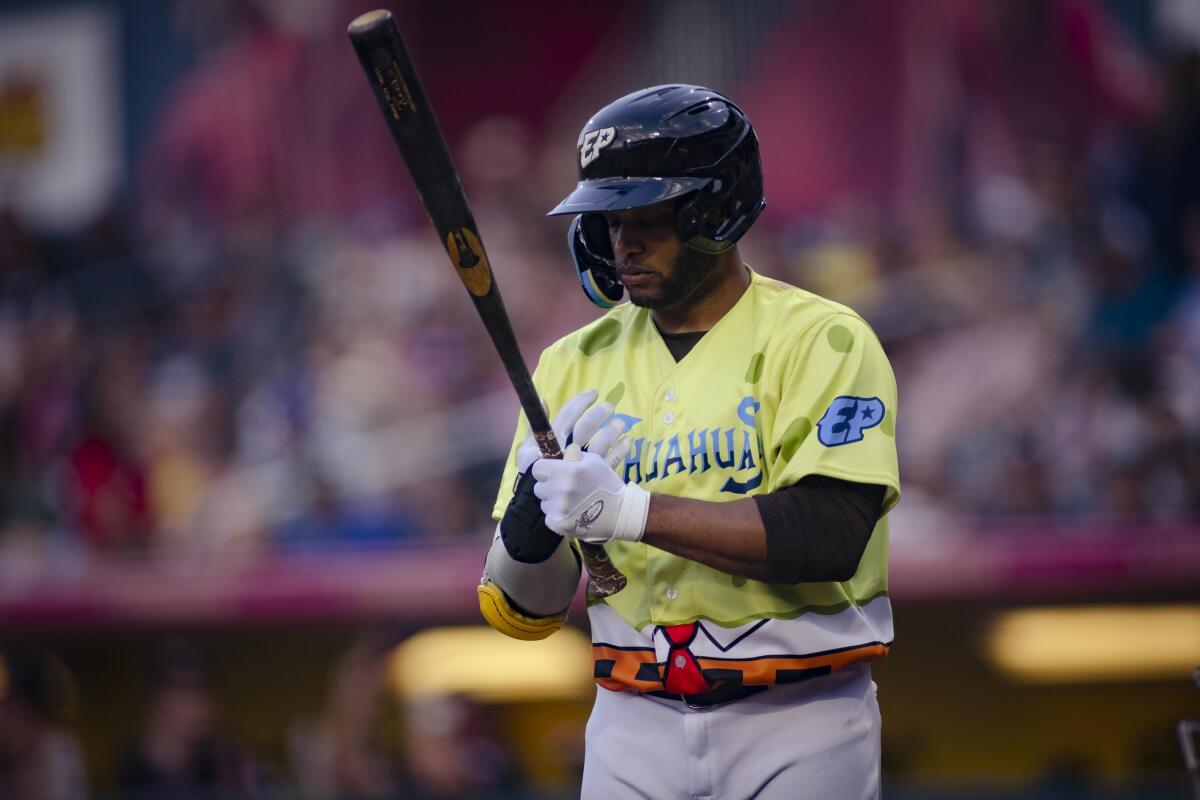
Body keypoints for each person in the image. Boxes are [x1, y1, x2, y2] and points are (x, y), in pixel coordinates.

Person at [478, 84, 900, 799]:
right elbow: (525, 616)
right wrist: (530, 521)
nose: (623, 241)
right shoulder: (569, 365)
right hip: (629, 720)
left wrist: (628, 512)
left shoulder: (823, 338)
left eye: (647, 214)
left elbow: (828, 534)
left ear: (716, 208)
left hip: (800, 718)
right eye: (609, 217)